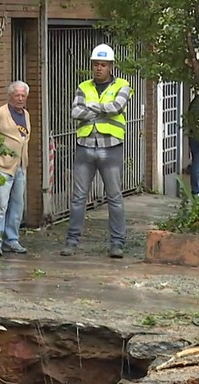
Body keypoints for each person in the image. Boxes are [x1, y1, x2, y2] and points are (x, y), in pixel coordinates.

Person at [61, 44, 133, 258]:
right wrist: (102, 110)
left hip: (110, 147)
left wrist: (91, 109)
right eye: (95, 64)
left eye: (103, 64)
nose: (98, 68)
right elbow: (75, 111)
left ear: (111, 66)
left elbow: (117, 108)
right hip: (85, 146)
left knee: (114, 197)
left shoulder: (123, 85)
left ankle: (117, 243)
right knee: (78, 197)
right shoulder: (84, 86)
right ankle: (71, 242)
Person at [0, 81, 31, 256]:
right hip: (1, 166)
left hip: (20, 166)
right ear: (10, 96)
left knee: (17, 205)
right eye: (17, 95)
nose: (20, 99)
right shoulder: (0, 114)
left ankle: (11, 240)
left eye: (23, 96)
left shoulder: (26, 114)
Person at [188, 95, 199, 196]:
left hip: (193, 135)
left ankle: (196, 191)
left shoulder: (195, 101)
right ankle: (196, 190)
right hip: (195, 136)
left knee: (196, 161)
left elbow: (189, 119)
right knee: (196, 162)